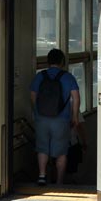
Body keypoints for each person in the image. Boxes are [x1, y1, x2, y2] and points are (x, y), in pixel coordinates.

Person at [30, 48, 80, 186]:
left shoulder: (40, 76)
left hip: (42, 118)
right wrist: (75, 116)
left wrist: (36, 111)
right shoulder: (68, 77)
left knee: (42, 149)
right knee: (61, 152)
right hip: (61, 120)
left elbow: (33, 95)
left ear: (48, 61)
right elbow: (76, 97)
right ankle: (59, 182)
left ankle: (42, 175)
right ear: (62, 61)